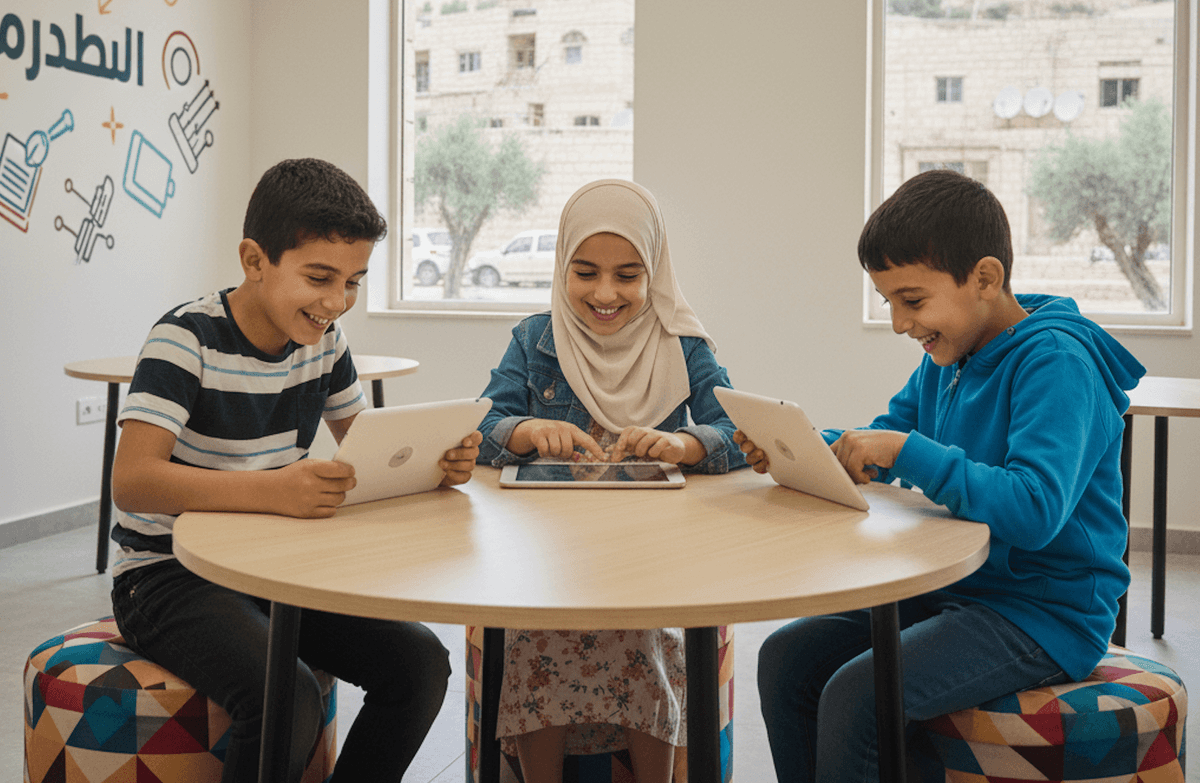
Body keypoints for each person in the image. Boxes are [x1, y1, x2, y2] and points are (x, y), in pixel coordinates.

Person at [740, 168, 1145, 782]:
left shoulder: (1057, 363)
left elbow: (1033, 510)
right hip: (957, 589)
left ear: (985, 277)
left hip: (1043, 612)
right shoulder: (950, 355)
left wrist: (907, 451)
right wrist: (799, 446)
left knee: (859, 696)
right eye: (890, 304)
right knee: (786, 656)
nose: (902, 324)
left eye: (913, 300)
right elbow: (881, 440)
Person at [109, 158, 482, 783]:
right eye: (319, 277)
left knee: (421, 664)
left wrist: (435, 464)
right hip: (165, 577)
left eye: (355, 282)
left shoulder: (326, 344)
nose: (337, 303)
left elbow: (365, 448)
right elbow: (133, 480)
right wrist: (270, 490)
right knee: (290, 696)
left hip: (270, 569)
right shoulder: (186, 339)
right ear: (255, 261)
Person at [476, 179, 747, 783]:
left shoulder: (682, 342)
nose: (605, 293)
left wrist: (684, 442)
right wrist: (523, 431)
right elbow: (484, 422)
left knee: (647, 636)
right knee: (534, 638)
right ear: (560, 267)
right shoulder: (533, 338)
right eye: (585, 272)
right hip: (549, 555)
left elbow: (739, 430)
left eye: (628, 275)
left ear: (655, 271)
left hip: (648, 554)